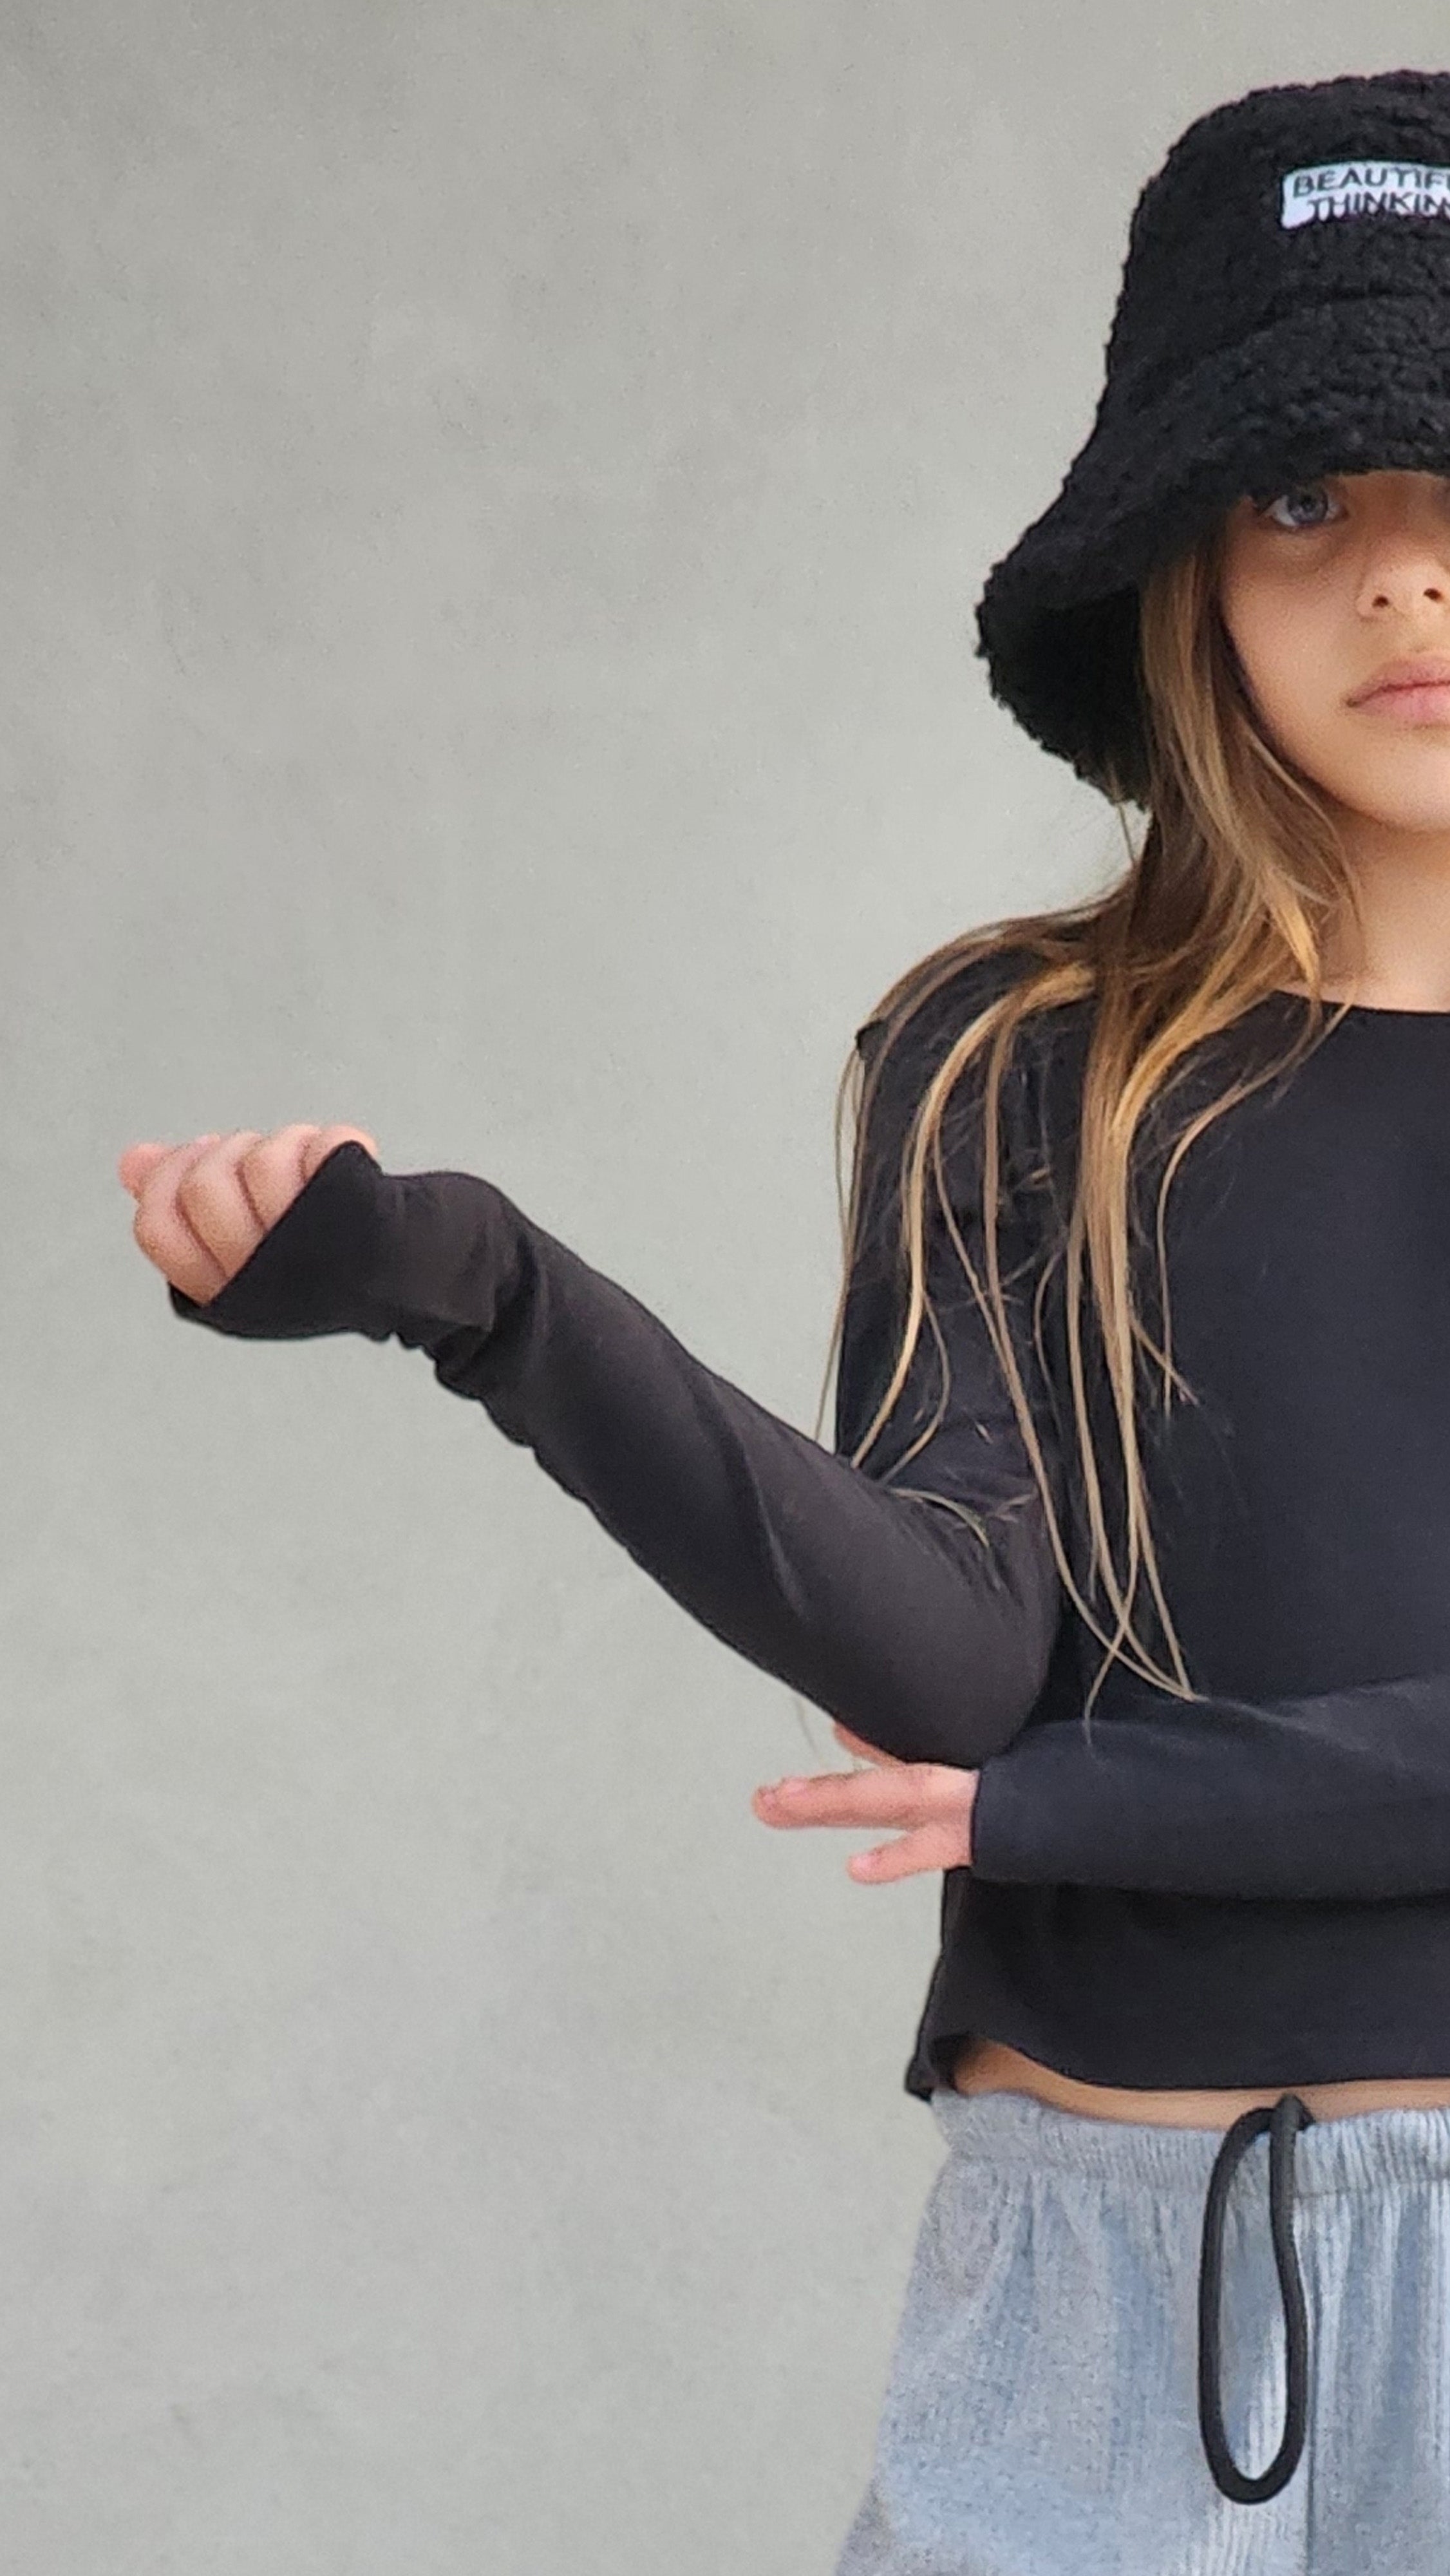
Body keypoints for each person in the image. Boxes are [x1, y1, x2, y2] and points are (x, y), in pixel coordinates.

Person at [115, 62, 1450, 2575]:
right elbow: (950, 1659)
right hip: (1099, 2288)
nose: (1400, 577)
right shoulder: (1011, 1056)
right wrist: (486, 1293)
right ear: (1183, 560)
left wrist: (1070, 1805)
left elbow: (1010, 1767)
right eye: (1302, 495)